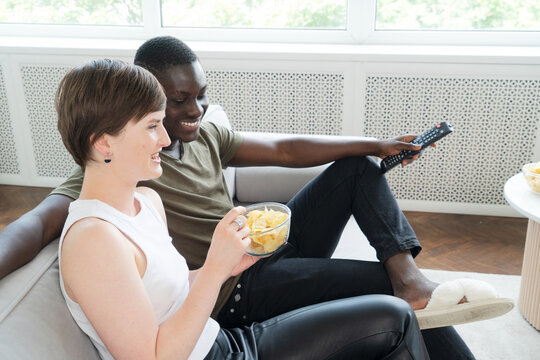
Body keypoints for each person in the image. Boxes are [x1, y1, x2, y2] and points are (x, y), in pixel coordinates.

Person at [0, 36, 477, 358]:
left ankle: (410, 278)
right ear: (104, 143)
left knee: (360, 184)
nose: (172, 131)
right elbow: (36, 226)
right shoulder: (95, 229)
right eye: (156, 121)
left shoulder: (146, 200)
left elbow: (284, 149)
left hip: (234, 292)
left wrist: (376, 144)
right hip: (232, 310)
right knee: (390, 308)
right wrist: (217, 269)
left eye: (197, 97)